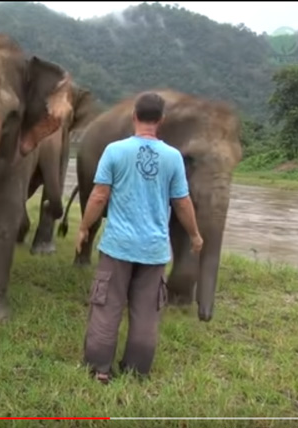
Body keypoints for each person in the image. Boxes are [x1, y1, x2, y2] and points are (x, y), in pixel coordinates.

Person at [76, 92, 203, 384]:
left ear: (134, 116)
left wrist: (84, 227)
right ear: (161, 120)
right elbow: (182, 202)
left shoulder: (115, 151)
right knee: (147, 312)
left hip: (117, 247)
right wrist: (195, 235)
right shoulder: (173, 157)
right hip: (154, 250)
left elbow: (99, 195)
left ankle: (99, 369)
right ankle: (137, 371)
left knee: (107, 305)